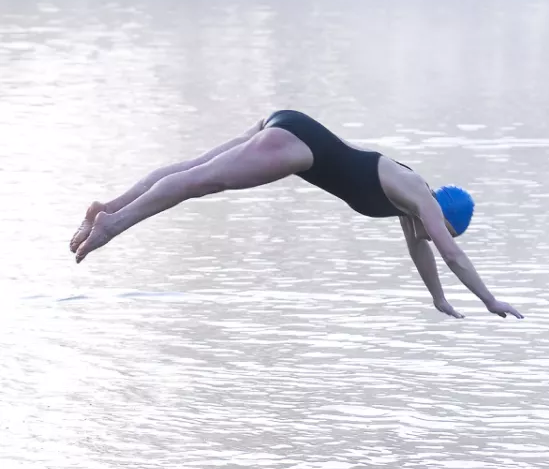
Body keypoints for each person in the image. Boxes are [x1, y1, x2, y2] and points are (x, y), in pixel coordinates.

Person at [69, 109, 523, 320]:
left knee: (194, 172)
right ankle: (113, 224)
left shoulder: (412, 202)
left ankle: (107, 207)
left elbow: (421, 254)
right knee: (198, 181)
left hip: (291, 126)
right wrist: (489, 300)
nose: (436, 237)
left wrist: (439, 300)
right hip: (297, 146)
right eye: (445, 231)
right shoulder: (420, 199)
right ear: (445, 219)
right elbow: (450, 256)